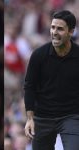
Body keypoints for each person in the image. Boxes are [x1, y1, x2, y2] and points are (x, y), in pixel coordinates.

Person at [24, 10, 79, 150]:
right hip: (42, 117)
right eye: (53, 27)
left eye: (60, 29)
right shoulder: (38, 55)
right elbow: (29, 87)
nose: (54, 32)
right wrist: (30, 119)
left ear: (71, 32)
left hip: (71, 116)